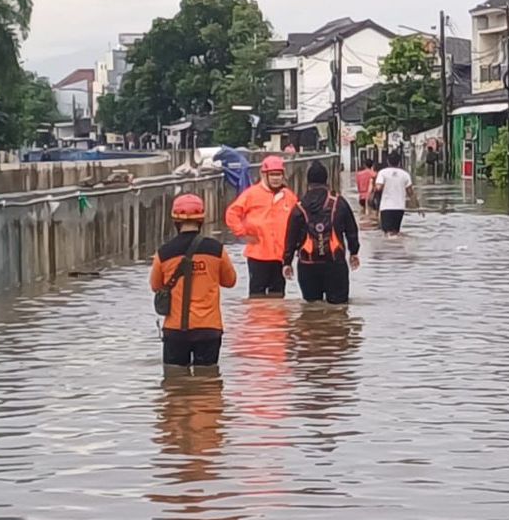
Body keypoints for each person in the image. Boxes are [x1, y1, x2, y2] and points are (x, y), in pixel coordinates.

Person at [150, 193, 237, 368]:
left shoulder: (164, 253)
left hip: (175, 331)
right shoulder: (216, 250)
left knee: (175, 386)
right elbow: (230, 281)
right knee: (207, 385)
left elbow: (156, 286)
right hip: (208, 329)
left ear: (175, 220)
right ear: (201, 220)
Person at [283, 161, 361, 304]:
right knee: (339, 310)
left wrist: (287, 262)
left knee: (311, 310)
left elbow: (290, 237)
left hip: (307, 265)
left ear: (308, 181)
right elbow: (351, 230)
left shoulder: (299, 207)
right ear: (327, 180)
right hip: (335, 264)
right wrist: (354, 252)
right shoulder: (340, 203)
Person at [226, 155, 299, 298]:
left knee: (278, 296)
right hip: (257, 255)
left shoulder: (289, 196)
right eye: (272, 174)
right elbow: (232, 214)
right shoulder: (251, 194)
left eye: (278, 174)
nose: (276, 178)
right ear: (263, 174)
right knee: (256, 297)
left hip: (280, 256)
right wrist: (242, 233)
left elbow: (299, 221)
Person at [374, 152, 419, 237]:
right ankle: (397, 247)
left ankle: (390, 248)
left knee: (387, 232)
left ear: (388, 161)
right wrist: (418, 207)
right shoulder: (405, 174)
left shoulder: (382, 173)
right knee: (395, 231)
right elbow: (411, 193)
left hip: (386, 207)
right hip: (399, 208)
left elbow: (378, 187)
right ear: (399, 162)